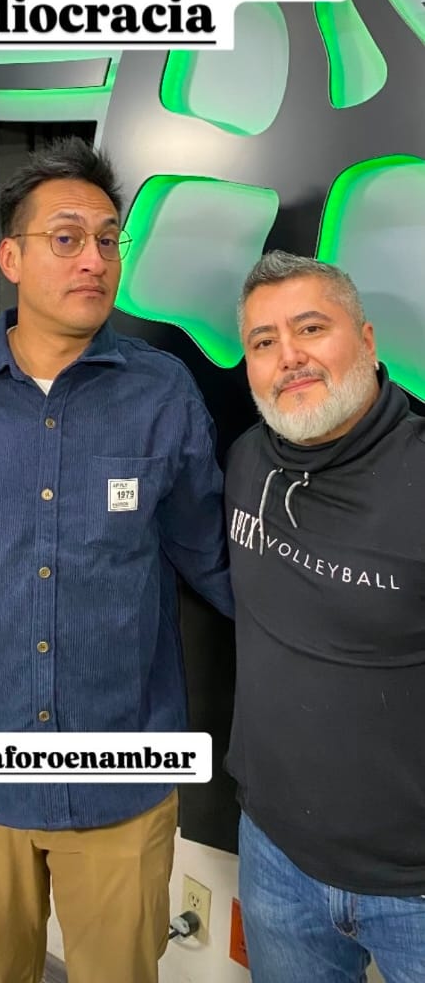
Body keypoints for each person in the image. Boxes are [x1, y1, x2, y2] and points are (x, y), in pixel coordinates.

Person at [0, 136, 232, 983]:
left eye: (108, 239)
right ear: (11, 257)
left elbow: (213, 556)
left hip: (125, 776)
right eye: (66, 238)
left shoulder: (162, 390)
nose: (94, 259)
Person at [226, 249, 425, 983]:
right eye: (264, 341)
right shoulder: (246, 461)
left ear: (366, 340)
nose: (290, 357)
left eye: (311, 328)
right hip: (274, 858)